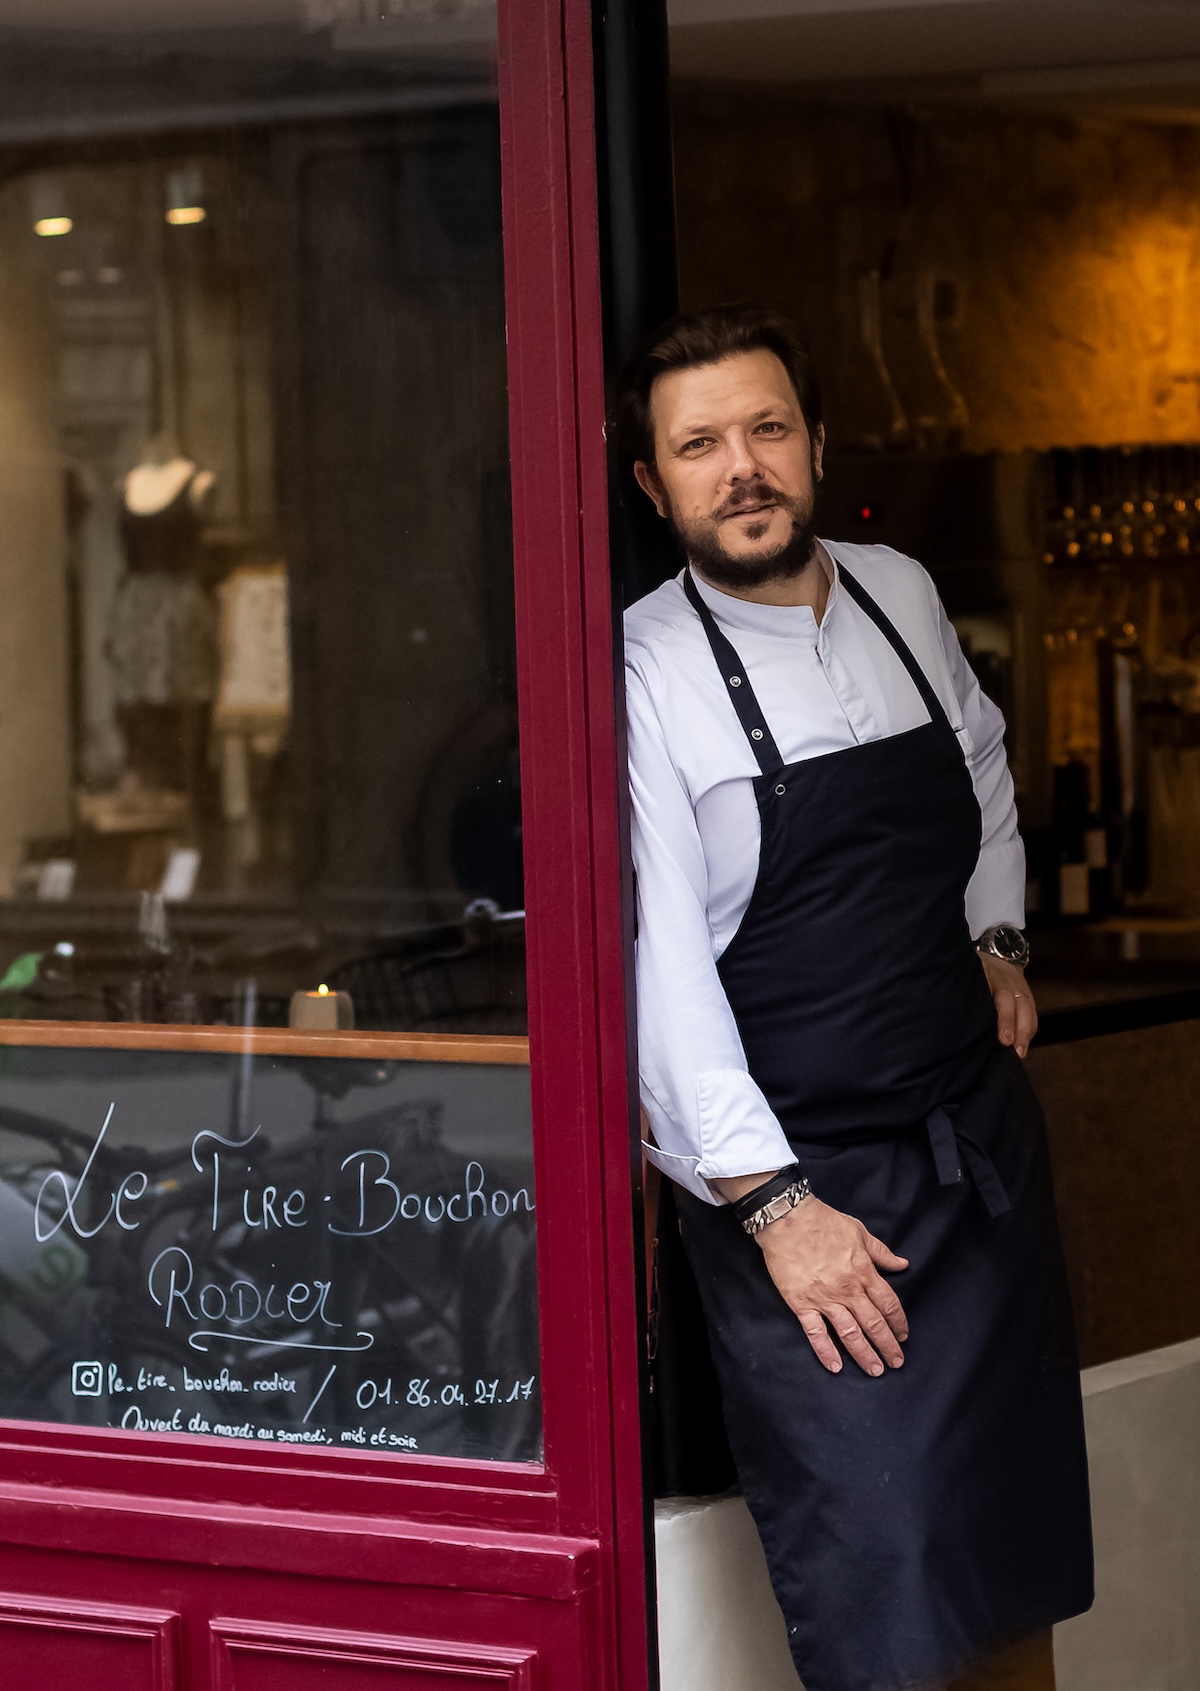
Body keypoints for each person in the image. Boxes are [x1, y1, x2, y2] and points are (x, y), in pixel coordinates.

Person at [620, 305, 1093, 1691]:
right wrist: (777, 1213)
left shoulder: (900, 590)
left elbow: (983, 763)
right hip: (811, 1203)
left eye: (767, 429)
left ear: (816, 444)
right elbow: (659, 979)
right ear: (653, 483)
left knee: (1011, 1580)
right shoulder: (641, 670)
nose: (741, 468)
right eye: (699, 445)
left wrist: (996, 934)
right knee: (889, 1606)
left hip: (978, 1166)